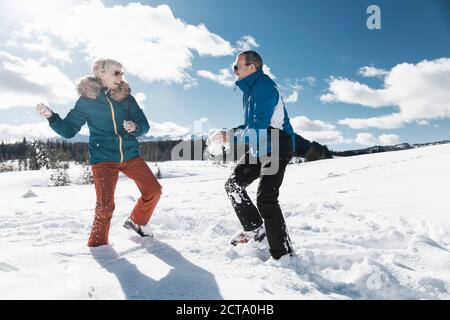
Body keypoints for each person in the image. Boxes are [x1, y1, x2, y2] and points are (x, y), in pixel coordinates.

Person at [36, 59, 162, 247]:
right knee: (104, 207)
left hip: (130, 155)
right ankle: (97, 247)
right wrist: (52, 117)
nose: (121, 77)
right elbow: (69, 130)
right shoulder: (87, 101)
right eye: (116, 73)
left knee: (154, 190)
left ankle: (136, 221)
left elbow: (144, 125)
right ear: (101, 73)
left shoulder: (126, 97)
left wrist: (135, 127)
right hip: (103, 159)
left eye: (122, 73)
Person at [212, 51, 295, 260]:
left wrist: (231, 140)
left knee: (266, 198)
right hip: (262, 145)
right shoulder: (250, 90)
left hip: (277, 143)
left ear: (252, 67)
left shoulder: (265, 87)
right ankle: (255, 229)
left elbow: (258, 128)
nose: (234, 70)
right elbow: (253, 126)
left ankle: (283, 253)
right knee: (233, 184)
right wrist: (231, 133)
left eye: (237, 66)